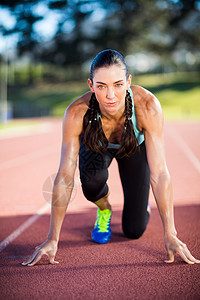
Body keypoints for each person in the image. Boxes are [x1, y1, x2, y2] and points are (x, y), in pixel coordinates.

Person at [22, 49, 199, 266]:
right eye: (101, 86)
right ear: (90, 85)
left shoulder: (148, 106)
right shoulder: (77, 113)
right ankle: (104, 209)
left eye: (117, 84)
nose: (110, 95)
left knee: (134, 230)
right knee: (92, 181)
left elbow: (160, 172)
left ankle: (142, 205)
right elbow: (65, 176)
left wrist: (170, 234)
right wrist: (52, 238)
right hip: (97, 145)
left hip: (134, 147)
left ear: (128, 82)